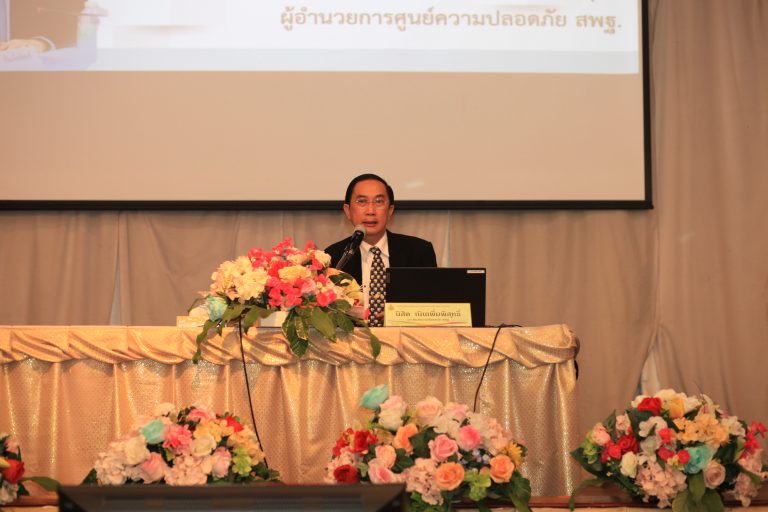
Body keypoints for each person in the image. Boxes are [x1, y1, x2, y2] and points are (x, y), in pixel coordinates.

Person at [325, 173, 437, 325]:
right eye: (362, 201)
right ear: (348, 211)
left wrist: (399, 315)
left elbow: (431, 307)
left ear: (390, 211)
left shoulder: (419, 252)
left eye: (379, 202)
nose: (371, 210)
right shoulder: (334, 256)